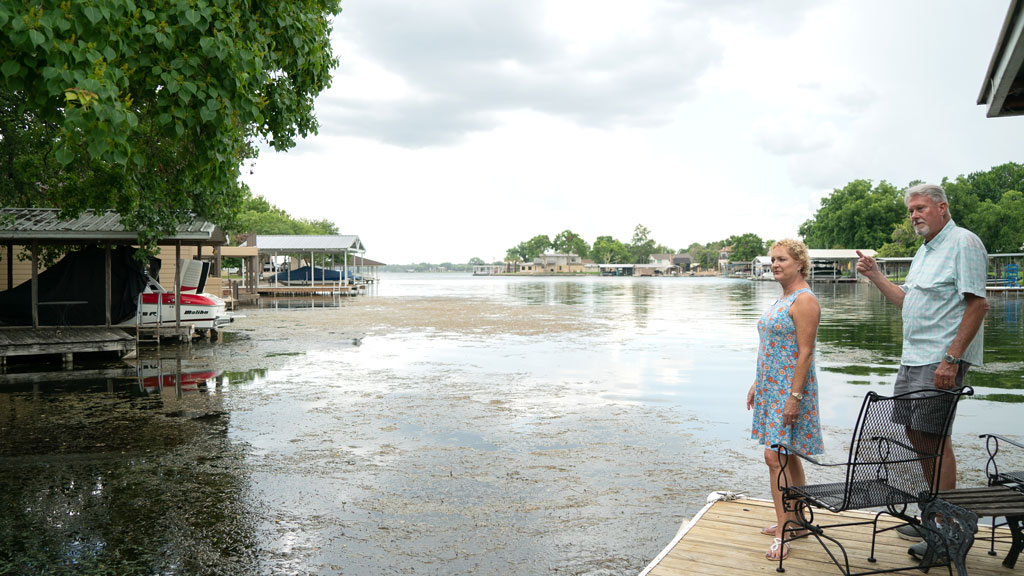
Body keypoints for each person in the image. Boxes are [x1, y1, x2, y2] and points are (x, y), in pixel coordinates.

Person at [855, 183, 989, 551]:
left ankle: (946, 531)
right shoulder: (925, 251)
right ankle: (933, 514)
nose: (914, 215)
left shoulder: (963, 242)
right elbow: (906, 301)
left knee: (935, 439)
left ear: (942, 208)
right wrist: (876, 274)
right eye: (911, 210)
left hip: (939, 359)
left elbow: (978, 305)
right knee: (918, 437)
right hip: (913, 356)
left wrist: (951, 359)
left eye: (920, 208)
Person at [747, 238, 823, 562]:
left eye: (782, 259)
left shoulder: (805, 301)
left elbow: (805, 353)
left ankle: (783, 532)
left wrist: (794, 397)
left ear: (799, 263)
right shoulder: (784, 298)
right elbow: (774, 347)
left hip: (790, 389)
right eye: (773, 259)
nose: (776, 264)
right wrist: (756, 382)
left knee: (773, 457)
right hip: (771, 386)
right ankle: (796, 522)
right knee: (788, 455)